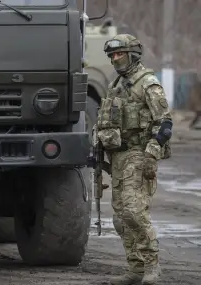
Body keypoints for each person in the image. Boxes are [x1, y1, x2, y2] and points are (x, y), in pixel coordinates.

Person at [96, 34, 173, 285]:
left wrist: (151, 154)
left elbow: (164, 123)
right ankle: (136, 268)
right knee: (120, 216)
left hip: (139, 154)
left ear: (133, 54)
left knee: (134, 211)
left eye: (120, 54)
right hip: (118, 156)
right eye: (112, 55)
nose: (115, 59)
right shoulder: (117, 85)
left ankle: (152, 265)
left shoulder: (147, 83)